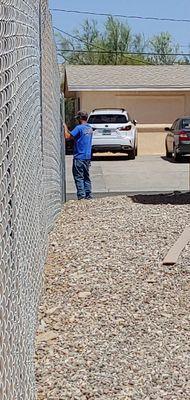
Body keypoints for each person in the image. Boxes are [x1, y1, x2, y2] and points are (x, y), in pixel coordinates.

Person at [64, 111, 93, 200]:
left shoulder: (79, 128)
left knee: (79, 177)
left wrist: (65, 128)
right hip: (87, 156)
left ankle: (81, 196)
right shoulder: (90, 128)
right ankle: (88, 195)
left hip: (79, 157)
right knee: (86, 176)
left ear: (80, 118)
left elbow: (67, 137)